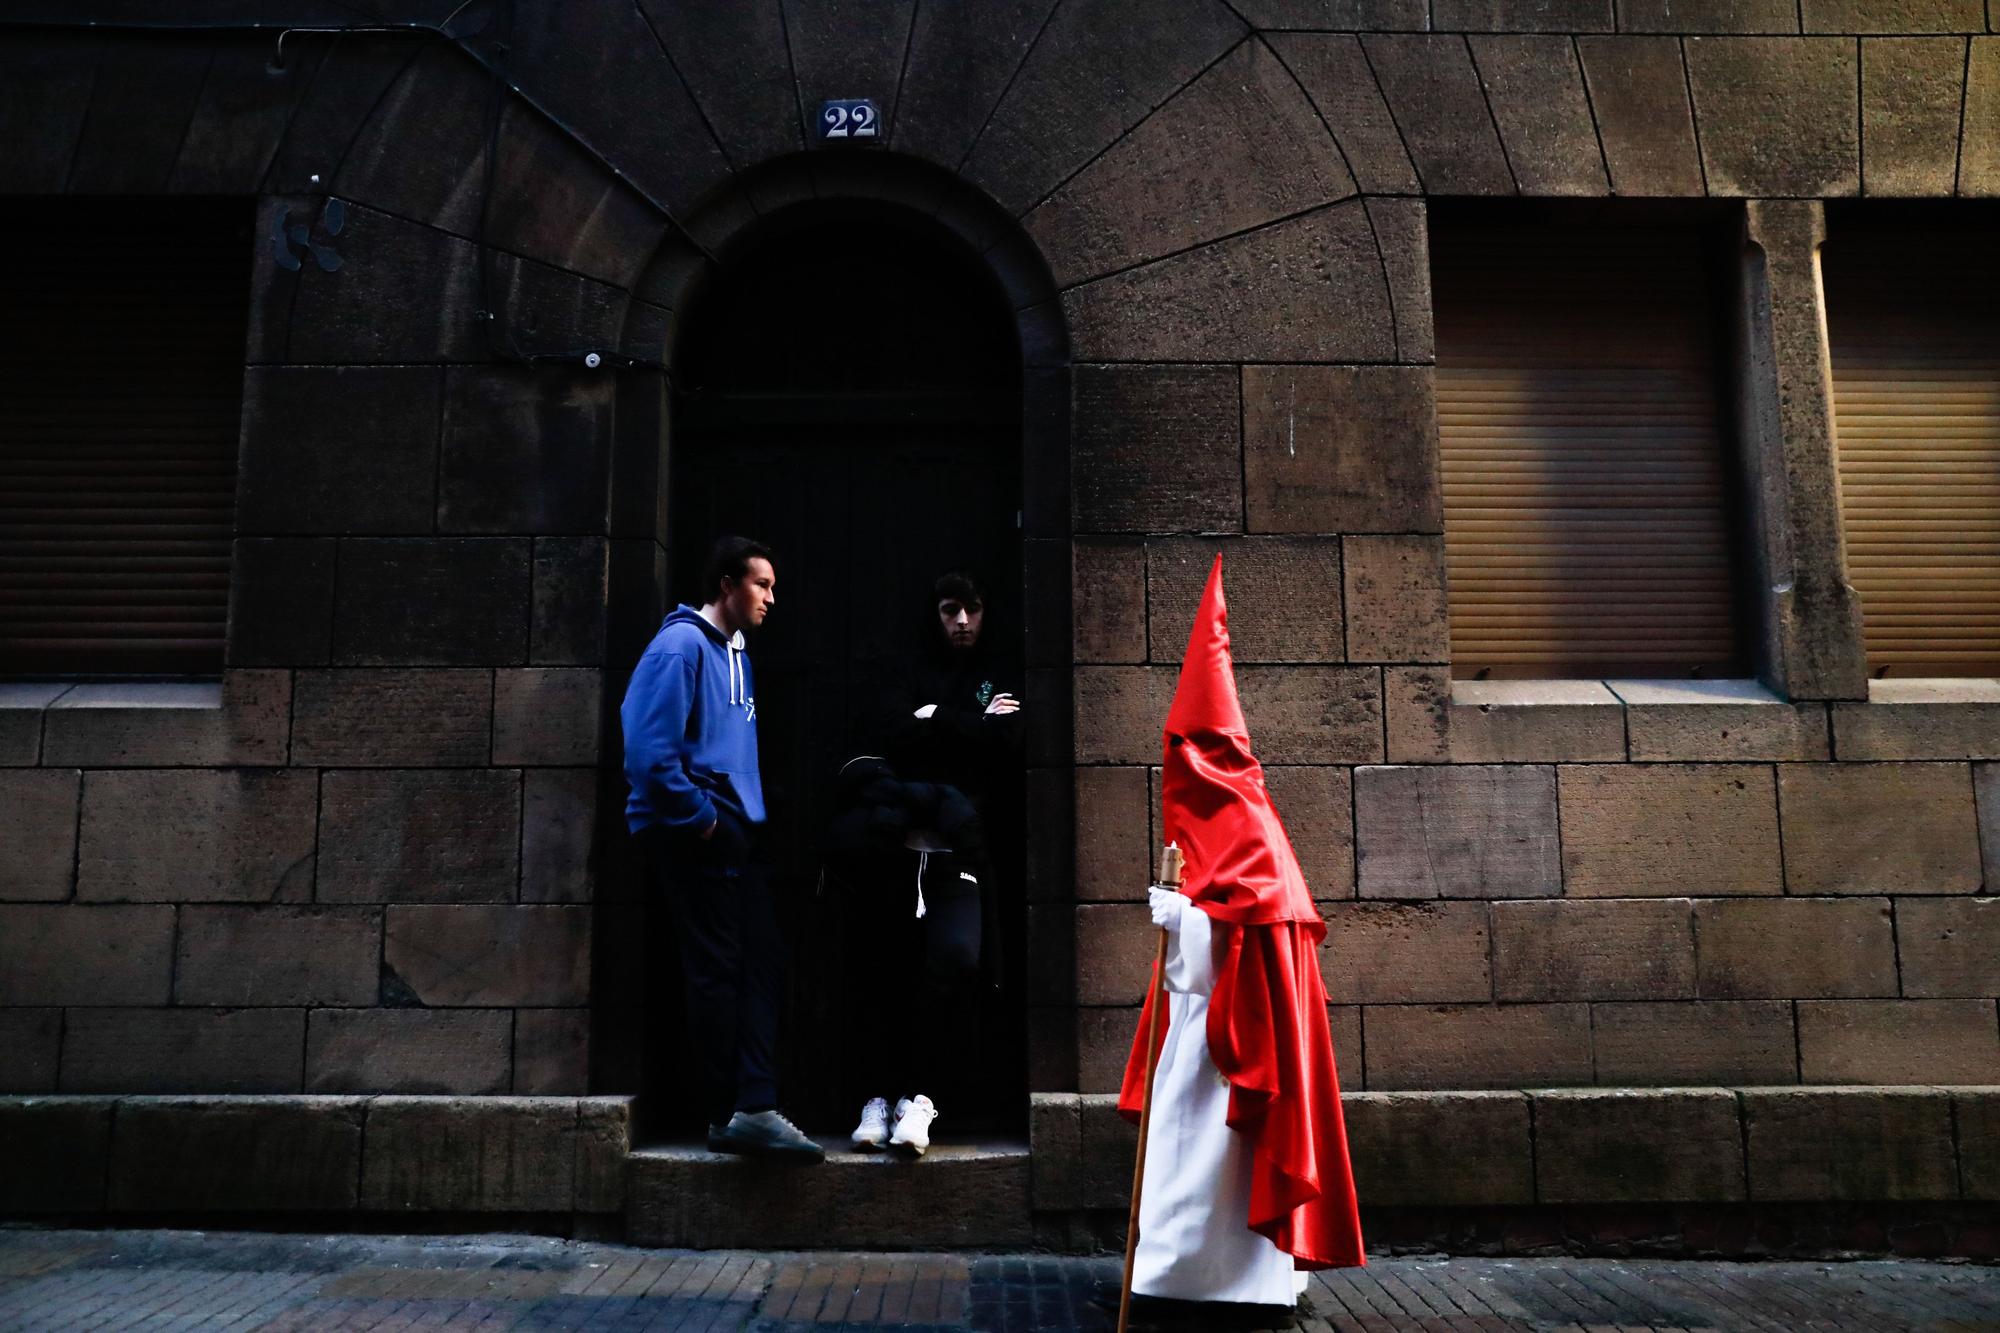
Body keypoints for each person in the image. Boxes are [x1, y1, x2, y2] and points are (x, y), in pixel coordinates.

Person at [1116, 555, 1364, 1320]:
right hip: (1217, 1023)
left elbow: (1235, 938)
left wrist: (1179, 918)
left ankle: (1195, 1279)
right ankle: (1187, 1273)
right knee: (1192, 1148)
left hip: (1230, 1035)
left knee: (1202, 1151)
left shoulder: (1242, 820)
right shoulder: (1240, 815)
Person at [621, 535, 823, 1162]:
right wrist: (702, 818)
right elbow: (647, 751)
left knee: (759, 960)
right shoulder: (680, 645)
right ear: (727, 584)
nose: (771, 598)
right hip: (692, 833)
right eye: (761, 585)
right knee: (716, 971)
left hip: (735, 830)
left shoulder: (740, 654)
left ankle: (752, 1106)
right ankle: (729, 1111)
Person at [835, 571, 1023, 1155]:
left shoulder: (1001, 669)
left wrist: (932, 720)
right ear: (934, 614)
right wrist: (971, 723)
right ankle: (878, 1097)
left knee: (956, 963)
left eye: (970, 610)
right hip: (895, 851)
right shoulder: (905, 668)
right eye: (949, 611)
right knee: (883, 973)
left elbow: (1008, 742)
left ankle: (923, 1098)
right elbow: (890, 736)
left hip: (957, 854)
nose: (961, 622)